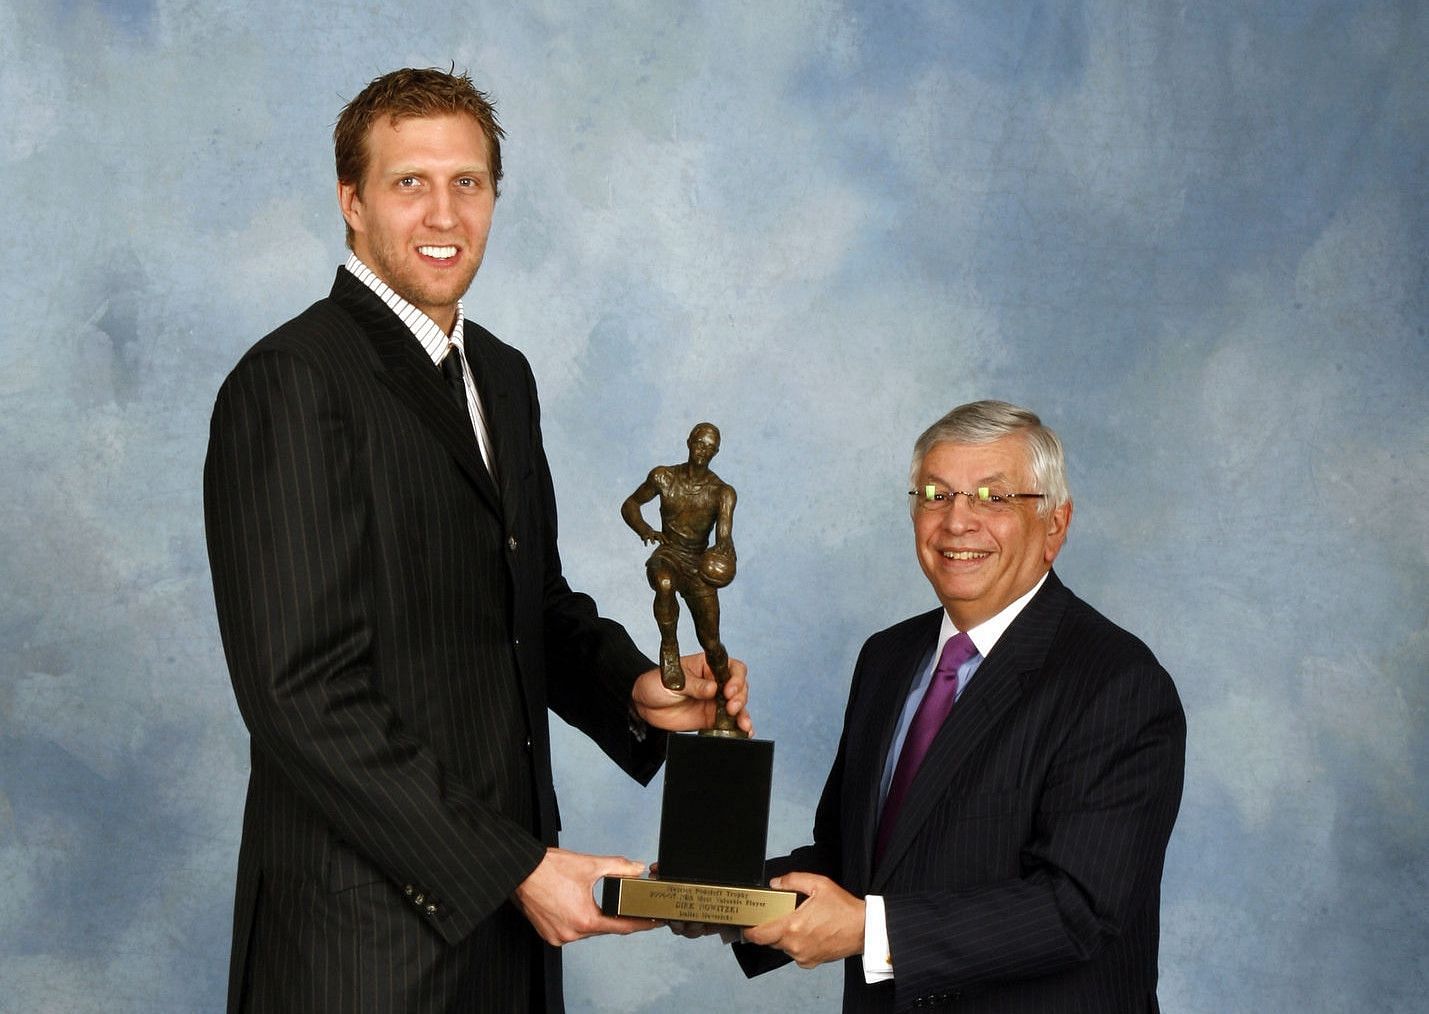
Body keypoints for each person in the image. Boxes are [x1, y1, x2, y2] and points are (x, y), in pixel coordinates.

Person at [203, 67, 749, 1013]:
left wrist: (635, 689)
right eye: (408, 182)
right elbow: (300, 695)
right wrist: (514, 866)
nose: (442, 212)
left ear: (495, 197)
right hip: (361, 947)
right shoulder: (292, 381)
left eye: (468, 182)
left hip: (505, 932)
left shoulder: (502, 374)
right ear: (351, 202)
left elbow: (528, 602)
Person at [732, 400, 1184, 1011]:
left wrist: (870, 931)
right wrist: (712, 893)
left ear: (1055, 525)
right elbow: (854, 862)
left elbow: (1077, 908)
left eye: (994, 498)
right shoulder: (887, 658)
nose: (957, 522)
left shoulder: (1116, 683)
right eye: (935, 494)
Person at [621, 422, 740, 734]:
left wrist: (726, 553)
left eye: (709, 448)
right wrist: (645, 530)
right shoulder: (664, 476)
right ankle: (669, 646)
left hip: (699, 563)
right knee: (662, 583)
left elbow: (724, 537)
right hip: (669, 554)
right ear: (689, 441)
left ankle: (725, 702)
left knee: (711, 642)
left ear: (716, 453)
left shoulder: (723, 493)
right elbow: (631, 504)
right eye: (699, 443)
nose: (702, 451)